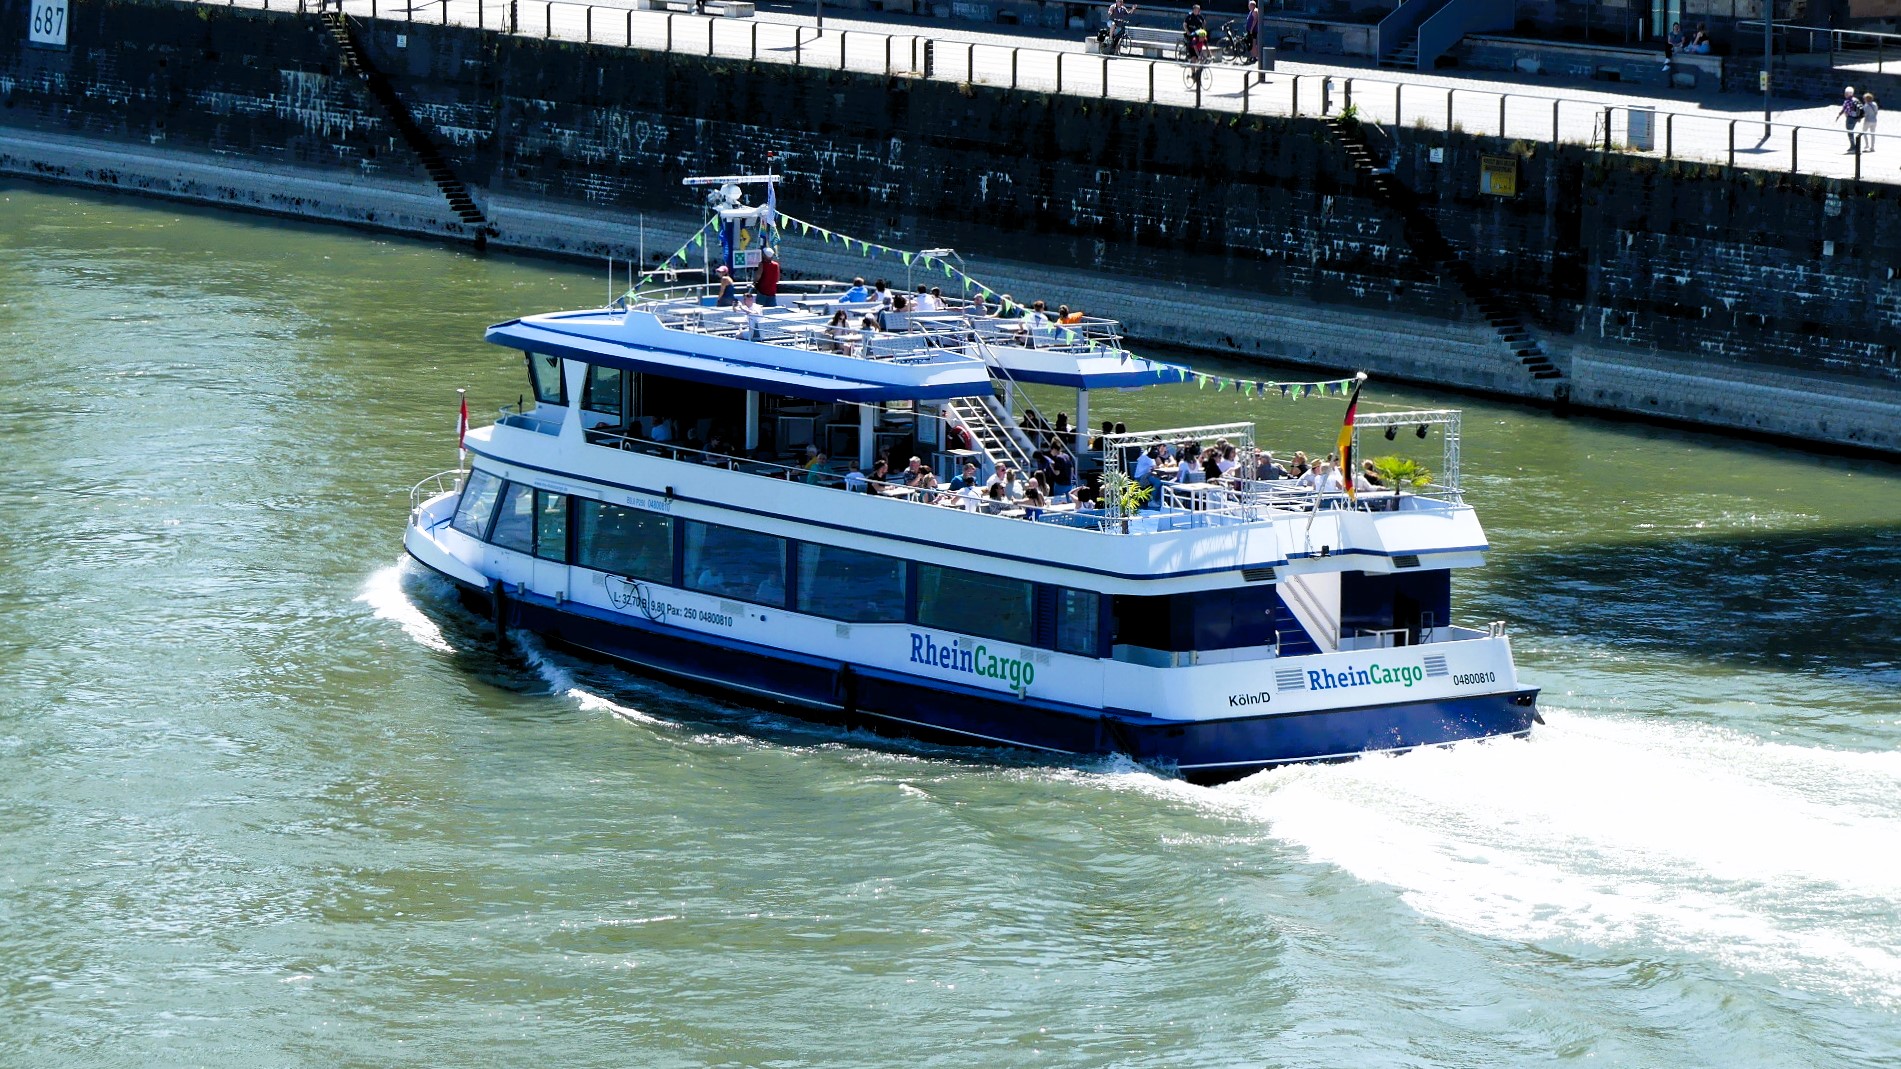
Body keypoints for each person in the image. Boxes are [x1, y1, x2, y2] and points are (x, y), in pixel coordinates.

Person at [1839, 86, 1864, 153]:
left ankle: (1853, 147)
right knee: (1851, 131)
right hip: (1855, 118)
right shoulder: (1856, 99)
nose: (1845, 94)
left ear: (1847, 94)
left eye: (1845, 93)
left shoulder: (1847, 101)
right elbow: (1861, 108)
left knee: (1850, 132)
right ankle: (1853, 146)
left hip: (1850, 118)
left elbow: (1846, 110)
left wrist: (1844, 114)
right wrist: (1859, 117)